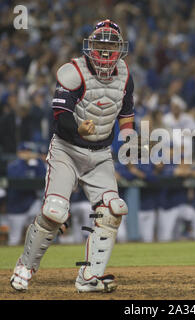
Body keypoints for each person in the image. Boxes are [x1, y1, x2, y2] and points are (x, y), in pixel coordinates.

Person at [10, 19, 135, 293]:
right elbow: (61, 117)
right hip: (67, 149)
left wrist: (129, 138)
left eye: (111, 43)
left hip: (101, 153)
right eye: (100, 42)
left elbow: (125, 113)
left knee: (113, 209)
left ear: (119, 47)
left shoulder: (125, 74)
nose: (105, 49)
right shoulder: (73, 71)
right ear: (90, 45)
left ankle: (89, 277)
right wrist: (78, 127)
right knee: (54, 211)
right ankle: (25, 266)